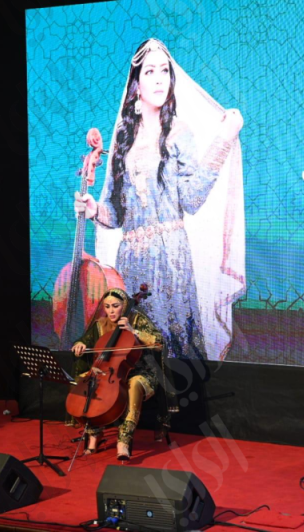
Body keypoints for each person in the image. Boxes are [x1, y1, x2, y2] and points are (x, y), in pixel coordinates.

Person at [74, 38, 245, 361]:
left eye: (164, 71)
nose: (158, 79)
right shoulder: (123, 137)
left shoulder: (179, 132)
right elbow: (116, 213)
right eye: (149, 71)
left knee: (172, 355)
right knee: (132, 356)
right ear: (136, 84)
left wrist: (223, 139)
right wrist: (94, 209)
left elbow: (192, 199)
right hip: (132, 263)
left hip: (171, 260)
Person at [70, 288, 177, 460]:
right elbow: (84, 340)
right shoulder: (100, 324)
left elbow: (159, 342)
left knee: (134, 385)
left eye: (115, 306)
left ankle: (124, 440)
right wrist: (79, 344)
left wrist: (133, 331)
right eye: (107, 307)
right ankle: (94, 434)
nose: (111, 311)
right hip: (109, 373)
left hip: (141, 372)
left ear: (125, 305)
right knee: (84, 381)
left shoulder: (136, 319)